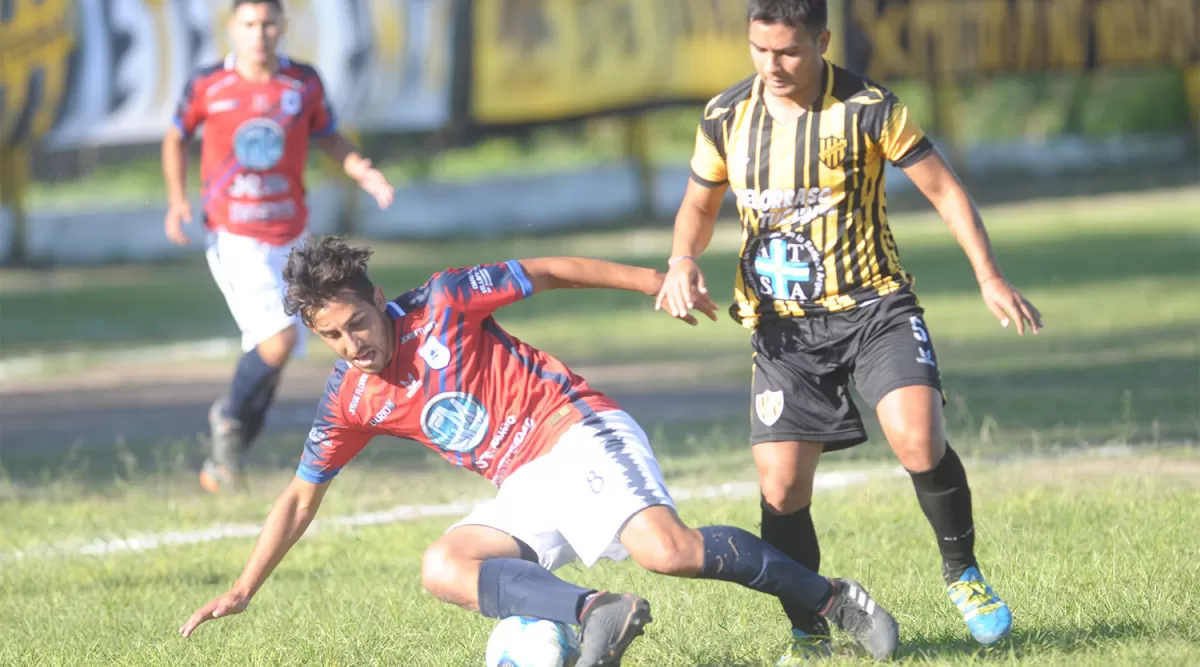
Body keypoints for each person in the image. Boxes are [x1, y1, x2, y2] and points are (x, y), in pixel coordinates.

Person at [177, 236, 902, 665]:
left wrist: (653, 281)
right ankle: (595, 610)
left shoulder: (444, 302)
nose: (351, 344)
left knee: (669, 550)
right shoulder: (351, 396)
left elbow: (549, 271)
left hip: (574, 426)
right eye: (331, 335)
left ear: (376, 300)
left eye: (356, 324)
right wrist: (245, 586)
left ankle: (830, 598)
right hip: (522, 479)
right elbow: (302, 494)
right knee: (444, 564)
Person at [654, 0, 1043, 661]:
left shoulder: (868, 107)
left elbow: (946, 190)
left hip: (876, 309)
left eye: (789, 52)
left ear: (822, 41)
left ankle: (964, 575)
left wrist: (989, 276)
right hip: (783, 331)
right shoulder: (725, 117)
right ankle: (810, 632)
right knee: (780, 488)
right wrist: (682, 260)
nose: (772, 66)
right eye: (760, 49)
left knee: (919, 438)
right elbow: (698, 202)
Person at [161, 0, 395, 493]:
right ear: (232, 28)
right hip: (235, 235)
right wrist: (179, 199)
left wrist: (360, 169)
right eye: (249, 24)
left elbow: (329, 137)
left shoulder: (302, 83)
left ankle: (227, 459)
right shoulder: (210, 85)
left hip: (292, 234)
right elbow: (176, 137)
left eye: (269, 23)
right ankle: (228, 419)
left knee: (276, 348)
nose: (260, 33)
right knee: (280, 340)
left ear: (282, 27)